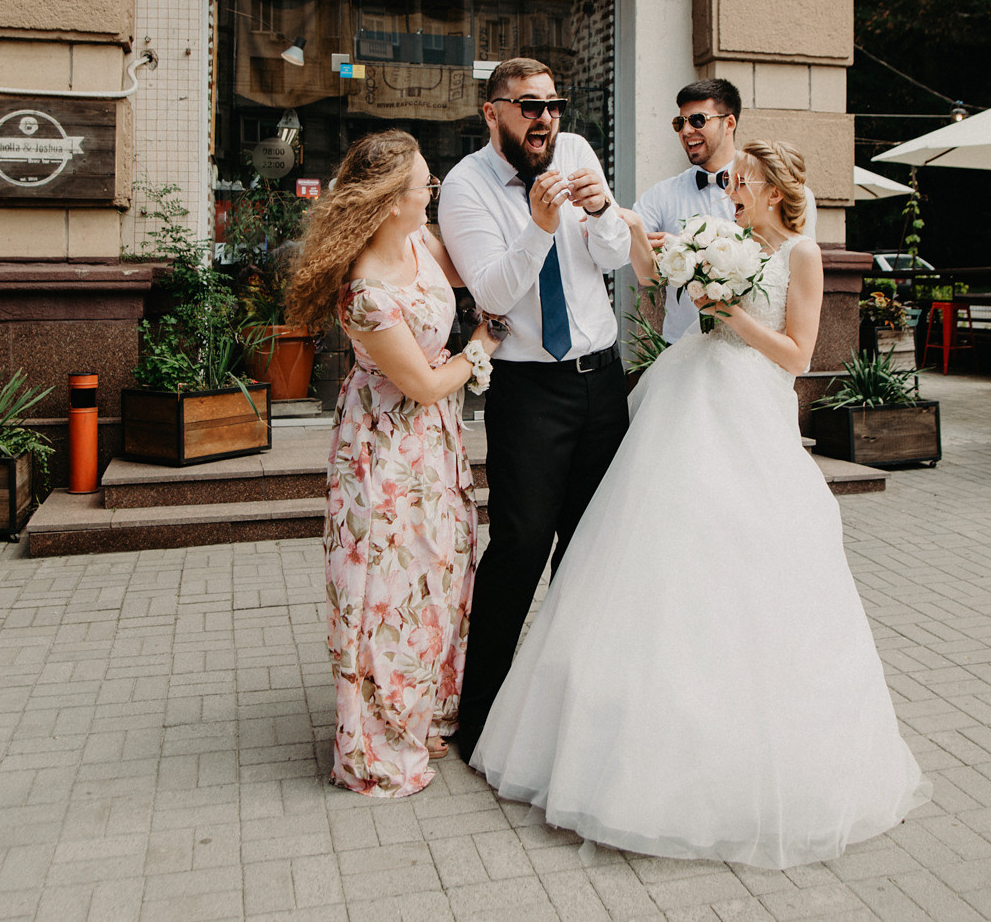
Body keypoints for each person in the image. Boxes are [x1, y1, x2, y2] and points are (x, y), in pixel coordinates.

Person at [471, 140, 930, 867]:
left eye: (743, 182)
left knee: (747, 560)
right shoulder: (723, 235)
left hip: (750, 409)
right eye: (734, 181)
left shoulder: (802, 254)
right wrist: (634, 229)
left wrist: (725, 310)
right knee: (655, 553)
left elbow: (797, 354)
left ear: (778, 190)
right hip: (687, 395)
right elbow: (652, 269)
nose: (732, 190)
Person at [288, 130, 500, 798]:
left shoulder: (421, 244)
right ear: (388, 203)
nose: (431, 195)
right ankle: (378, 737)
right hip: (387, 453)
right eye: (424, 188)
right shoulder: (366, 292)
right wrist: (481, 343)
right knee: (387, 585)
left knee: (437, 573)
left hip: (434, 449)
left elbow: (480, 269)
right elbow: (428, 385)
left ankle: (422, 709)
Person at [436, 57, 632, 761]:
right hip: (529, 391)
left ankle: (578, 703)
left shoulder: (576, 151)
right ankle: (481, 715)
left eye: (552, 103)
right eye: (528, 105)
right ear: (493, 112)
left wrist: (604, 210)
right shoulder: (465, 187)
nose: (545, 117)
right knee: (521, 548)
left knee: (593, 544)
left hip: (603, 382)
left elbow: (611, 257)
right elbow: (492, 288)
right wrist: (541, 225)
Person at [633, 78, 743, 344]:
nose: (686, 131)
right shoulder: (661, 195)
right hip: (681, 349)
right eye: (679, 123)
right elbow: (646, 272)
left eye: (697, 120)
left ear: (728, 123)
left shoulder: (763, 188)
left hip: (745, 349)